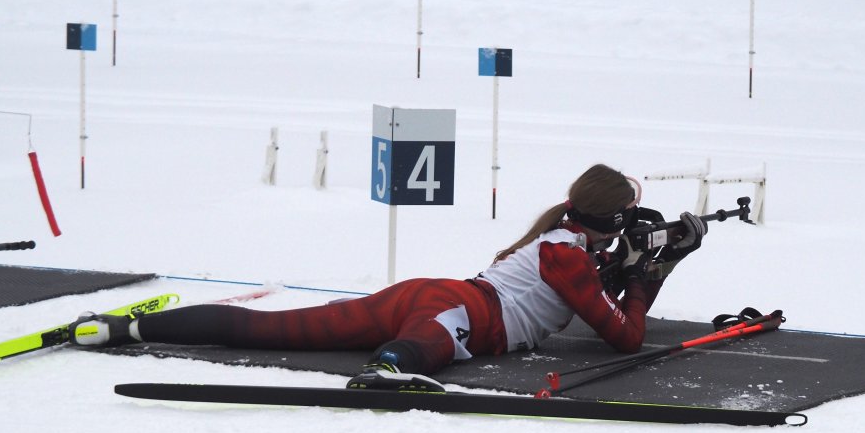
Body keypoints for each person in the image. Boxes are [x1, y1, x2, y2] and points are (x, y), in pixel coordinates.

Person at [69, 164, 707, 390]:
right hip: (461, 312)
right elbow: (623, 336)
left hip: (437, 294)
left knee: (277, 328)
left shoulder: (559, 239)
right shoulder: (569, 257)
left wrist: (648, 267)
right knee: (423, 346)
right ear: (612, 221)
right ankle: (392, 365)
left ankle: (125, 328)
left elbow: (605, 310)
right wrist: (650, 273)